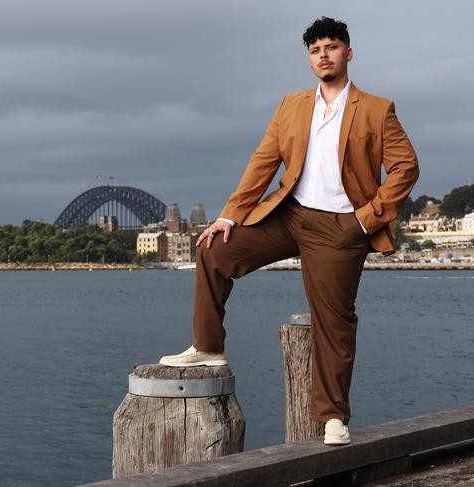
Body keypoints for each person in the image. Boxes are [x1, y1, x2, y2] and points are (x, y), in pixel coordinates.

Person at [159, 16, 419, 446]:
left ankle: (333, 416)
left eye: (331, 47)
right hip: (289, 213)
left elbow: (406, 167)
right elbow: (263, 163)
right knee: (213, 250)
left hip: (341, 226)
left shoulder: (376, 109)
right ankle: (208, 346)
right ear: (309, 58)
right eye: (315, 50)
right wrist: (229, 215)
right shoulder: (291, 105)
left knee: (334, 321)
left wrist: (366, 219)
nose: (323, 55)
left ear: (347, 53)